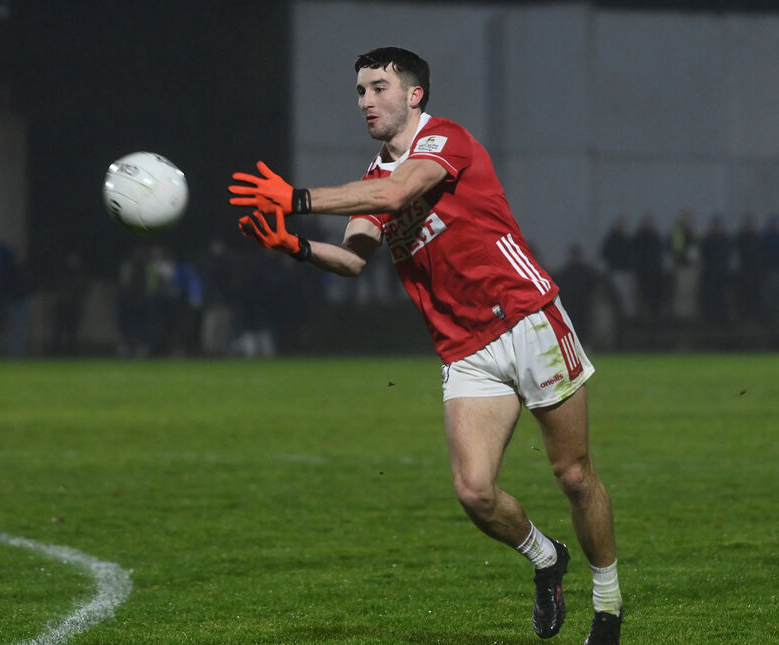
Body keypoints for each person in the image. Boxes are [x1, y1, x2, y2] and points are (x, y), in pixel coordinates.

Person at [228, 47, 623, 643]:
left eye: (379, 87)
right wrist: (297, 248)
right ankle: (547, 558)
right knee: (474, 491)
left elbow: (396, 196)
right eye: (360, 90)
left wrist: (299, 199)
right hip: (464, 347)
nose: (366, 100)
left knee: (572, 474)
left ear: (414, 95)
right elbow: (354, 258)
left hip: (529, 319)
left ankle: (608, 605)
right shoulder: (370, 178)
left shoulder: (446, 142)